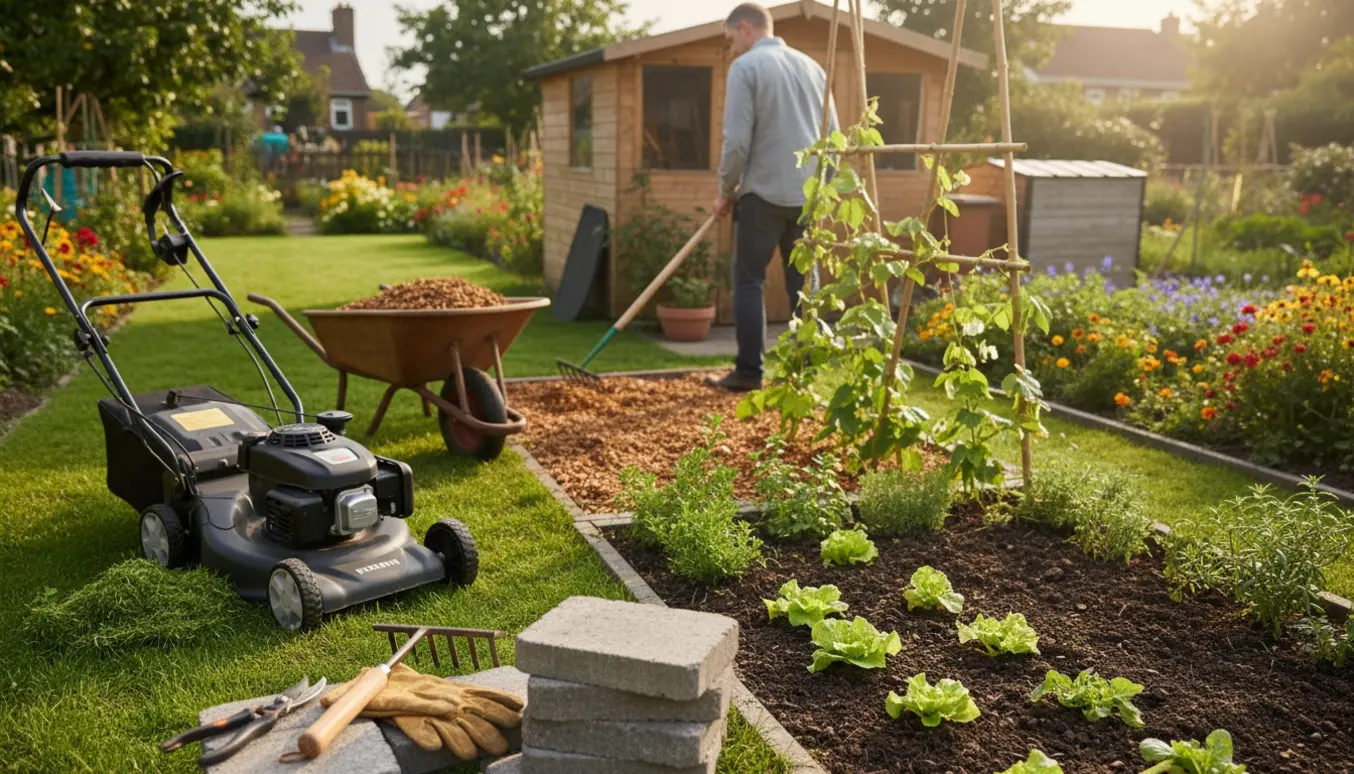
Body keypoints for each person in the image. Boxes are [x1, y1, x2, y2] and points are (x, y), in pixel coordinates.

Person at [706, 2, 838, 392]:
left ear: (745, 28)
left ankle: (748, 373)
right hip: (808, 197)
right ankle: (803, 372)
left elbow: (736, 143)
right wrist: (822, 190)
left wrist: (724, 191)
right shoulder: (814, 68)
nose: (732, 49)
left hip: (761, 196)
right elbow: (835, 138)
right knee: (805, 283)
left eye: (731, 40)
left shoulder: (746, 68)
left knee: (749, 282)